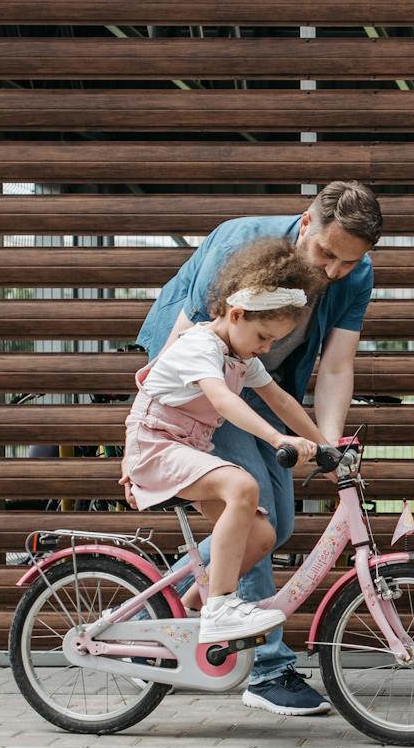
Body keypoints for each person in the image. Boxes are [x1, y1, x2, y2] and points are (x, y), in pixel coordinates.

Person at [135, 180, 381, 716]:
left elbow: (336, 365)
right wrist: (170, 405)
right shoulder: (239, 246)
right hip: (203, 387)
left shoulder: (354, 273)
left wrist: (329, 444)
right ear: (305, 222)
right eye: (327, 255)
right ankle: (265, 668)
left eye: (349, 263)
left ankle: (156, 615)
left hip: (259, 378)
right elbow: (189, 341)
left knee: (278, 528)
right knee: (247, 505)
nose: (334, 271)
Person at [122, 239, 332, 645]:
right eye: (263, 336)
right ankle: (220, 607)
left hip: (185, 449)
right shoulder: (199, 348)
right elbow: (220, 399)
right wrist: (275, 438)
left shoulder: (240, 357)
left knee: (262, 536)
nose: (267, 348)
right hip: (157, 448)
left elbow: (279, 398)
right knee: (242, 485)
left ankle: (183, 617)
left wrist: (324, 446)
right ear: (235, 314)